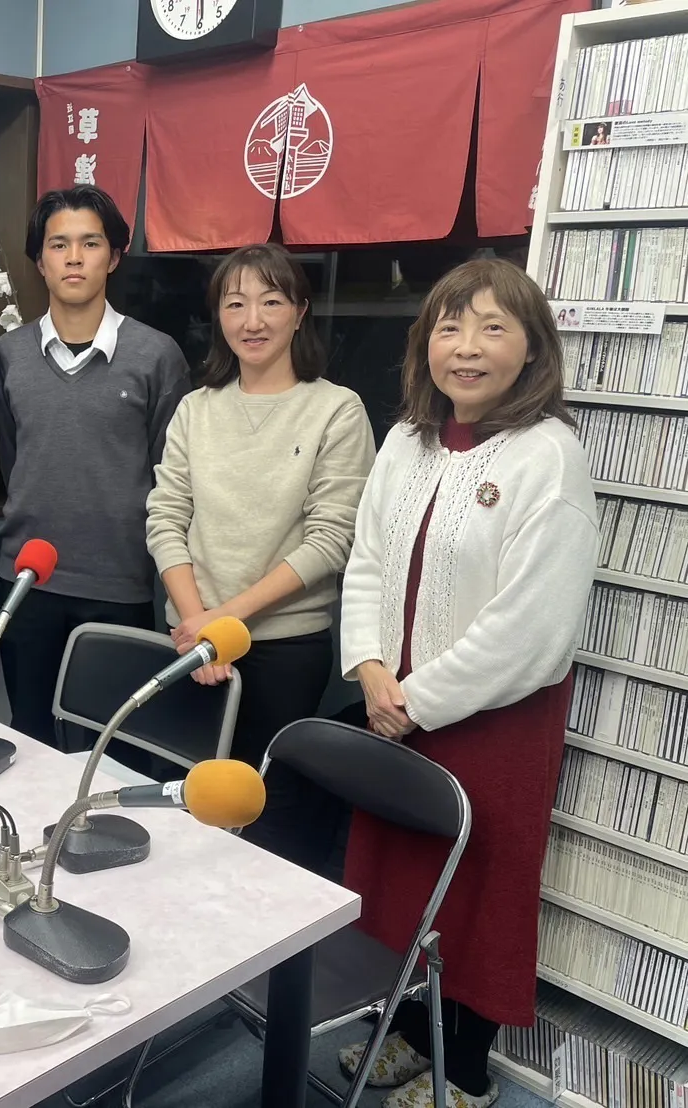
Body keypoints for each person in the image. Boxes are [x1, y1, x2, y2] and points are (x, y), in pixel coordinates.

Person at [336, 258, 596, 1108]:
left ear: (532, 349)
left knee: (477, 892)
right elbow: (367, 563)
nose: (467, 347)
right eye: (449, 327)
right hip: (390, 704)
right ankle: (410, 1032)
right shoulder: (405, 441)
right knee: (399, 879)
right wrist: (369, 668)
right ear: (426, 344)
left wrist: (412, 700)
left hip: (493, 722)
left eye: (492, 328)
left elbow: (533, 628)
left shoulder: (548, 456)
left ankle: (468, 1071)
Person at [145, 242, 374, 864]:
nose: (253, 320)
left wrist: (223, 623)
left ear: (299, 312)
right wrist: (198, 624)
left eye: (271, 302)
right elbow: (166, 517)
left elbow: (331, 538)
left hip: (283, 648)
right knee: (184, 806)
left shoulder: (336, 409)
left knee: (264, 818)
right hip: (191, 643)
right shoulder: (196, 409)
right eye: (235, 303)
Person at [0, 185, 190, 748]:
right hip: (26, 580)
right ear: (40, 260)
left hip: (119, 583)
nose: (74, 258)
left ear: (115, 256)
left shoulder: (156, 355)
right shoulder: (8, 354)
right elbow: (13, 452)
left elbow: (169, 476)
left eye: (90, 243)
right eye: (58, 245)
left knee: (110, 745)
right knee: (29, 738)